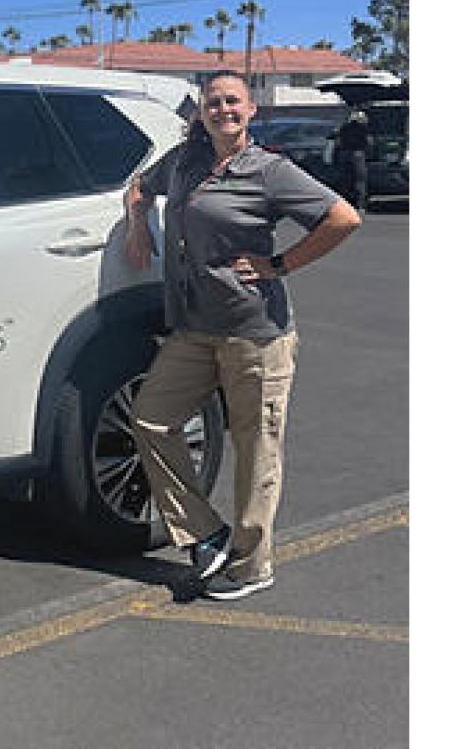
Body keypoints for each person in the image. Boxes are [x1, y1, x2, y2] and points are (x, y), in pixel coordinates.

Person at [122, 72, 361, 600]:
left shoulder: (270, 171)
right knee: (150, 420)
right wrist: (138, 223)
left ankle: (254, 564)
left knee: (256, 451)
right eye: (213, 102)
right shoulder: (185, 162)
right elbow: (139, 186)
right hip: (194, 330)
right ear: (201, 111)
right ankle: (206, 533)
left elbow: (343, 218)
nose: (222, 110)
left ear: (251, 110)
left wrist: (279, 264)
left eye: (233, 102)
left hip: (255, 335)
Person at [334, 109, 372, 212]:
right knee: (360, 180)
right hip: (358, 154)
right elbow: (369, 142)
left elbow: (338, 142)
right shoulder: (363, 128)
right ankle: (361, 205)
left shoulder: (344, 128)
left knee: (344, 180)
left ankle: (345, 203)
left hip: (345, 154)